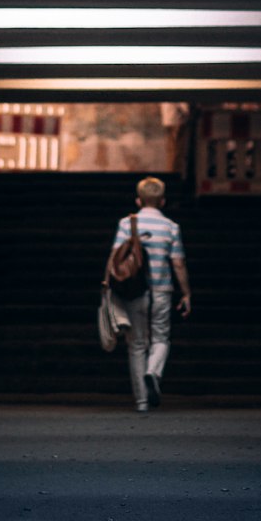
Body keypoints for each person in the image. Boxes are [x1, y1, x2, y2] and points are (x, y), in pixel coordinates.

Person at [103, 176, 191, 413]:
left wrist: (107, 286)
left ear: (138, 200)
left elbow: (115, 258)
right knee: (161, 338)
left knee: (136, 344)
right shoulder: (171, 227)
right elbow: (179, 263)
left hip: (134, 292)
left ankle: (141, 402)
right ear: (162, 201)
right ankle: (153, 372)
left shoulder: (126, 224)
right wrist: (186, 293)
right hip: (161, 290)